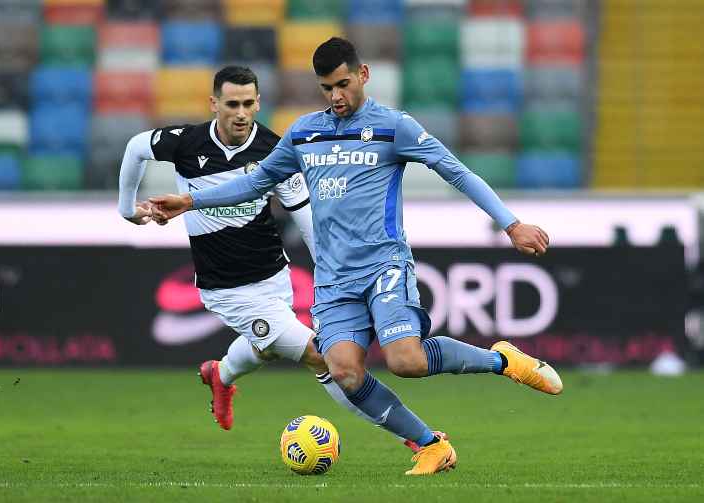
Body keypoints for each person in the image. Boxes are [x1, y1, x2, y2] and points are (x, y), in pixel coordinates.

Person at [149, 40, 563, 476]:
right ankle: (431, 446)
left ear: (363, 75)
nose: (336, 97)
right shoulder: (305, 132)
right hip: (334, 279)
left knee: (407, 361)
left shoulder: (394, 127)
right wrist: (190, 201)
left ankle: (503, 361)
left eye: (343, 84)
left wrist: (511, 224)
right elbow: (255, 183)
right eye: (327, 88)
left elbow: (456, 170)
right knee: (344, 372)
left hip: (383, 266)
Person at [117, 65, 428, 450]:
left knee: (265, 347)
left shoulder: (274, 149)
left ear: (258, 103)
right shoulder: (186, 142)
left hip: (274, 276)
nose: (241, 113)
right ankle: (413, 436)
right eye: (232, 104)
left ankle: (221, 373)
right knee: (322, 356)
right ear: (214, 104)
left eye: (249, 103)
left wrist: (334, 274)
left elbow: (309, 219)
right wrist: (127, 209)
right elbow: (135, 148)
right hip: (226, 288)